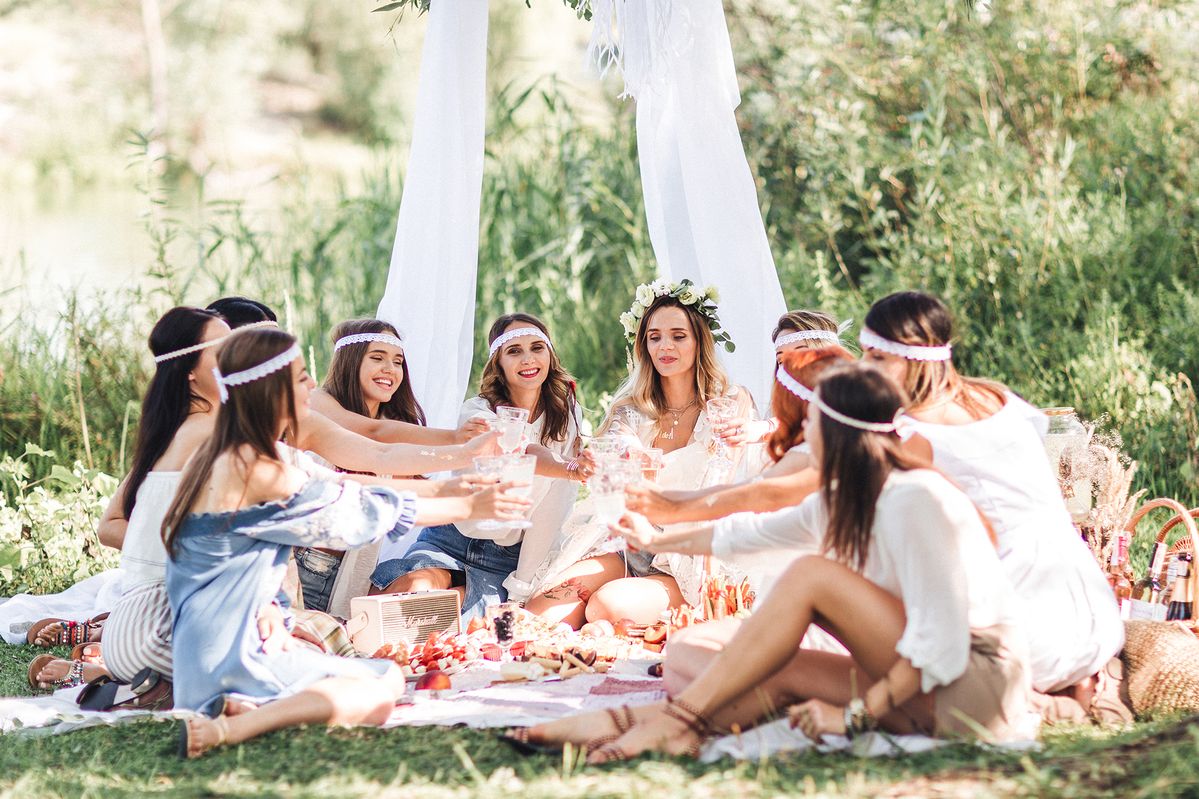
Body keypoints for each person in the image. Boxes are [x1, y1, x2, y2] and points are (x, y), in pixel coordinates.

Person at [514, 364, 1035, 759]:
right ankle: (652, 722)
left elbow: (940, 648)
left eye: (813, 425)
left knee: (810, 576)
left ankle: (666, 721)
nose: (803, 435)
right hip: (911, 681)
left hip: (970, 693)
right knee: (727, 662)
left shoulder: (916, 498)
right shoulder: (846, 495)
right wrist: (656, 537)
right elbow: (747, 536)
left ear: (837, 433)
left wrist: (851, 716)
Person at [165, 328, 529, 757]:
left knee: (360, 665)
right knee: (385, 682)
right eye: (300, 377)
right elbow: (353, 507)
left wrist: (457, 487)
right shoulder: (258, 469)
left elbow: (351, 480)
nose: (310, 387)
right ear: (271, 389)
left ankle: (247, 707)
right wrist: (467, 506)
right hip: (232, 660)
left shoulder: (229, 454)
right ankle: (238, 725)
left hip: (198, 663)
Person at [857, 291, 1123, 698]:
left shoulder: (916, 435)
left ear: (911, 359)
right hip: (1099, 618)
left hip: (1034, 636)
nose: (862, 367)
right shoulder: (997, 397)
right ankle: (1075, 686)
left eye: (876, 357)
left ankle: (1044, 698)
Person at [523, 281, 755, 628]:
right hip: (628, 543)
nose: (666, 346)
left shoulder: (729, 403)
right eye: (655, 336)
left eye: (678, 336)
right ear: (643, 344)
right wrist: (609, 461)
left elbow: (719, 486)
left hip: (688, 551)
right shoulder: (629, 410)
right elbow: (615, 456)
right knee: (538, 615)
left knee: (606, 607)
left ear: (699, 342)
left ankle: (645, 610)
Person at [26, 307, 229, 689]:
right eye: (225, 349)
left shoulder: (174, 430)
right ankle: (115, 672)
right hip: (159, 629)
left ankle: (109, 667)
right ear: (189, 370)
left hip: (131, 625)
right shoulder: (210, 429)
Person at [371, 314, 590, 619]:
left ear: (550, 355)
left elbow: (551, 511)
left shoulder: (567, 419)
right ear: (498, 363)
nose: (528, 359)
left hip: (505, 556)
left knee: (450, 616)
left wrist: (522, 587)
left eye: (537, 347)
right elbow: (518, 449)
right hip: (452, 537)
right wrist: (569, 467)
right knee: (416, 589)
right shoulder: (477, 412)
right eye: (514, 351)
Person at [294, 318, 488, 614]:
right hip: (302, 563)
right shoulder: (319, 402)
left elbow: (407, 493)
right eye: (377, 358)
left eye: (398, 362)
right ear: (350, 360)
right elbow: (374, 439)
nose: (390, 369)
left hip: (351, 568)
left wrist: (476, 487)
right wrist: (456, 441)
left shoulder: (395, 426)